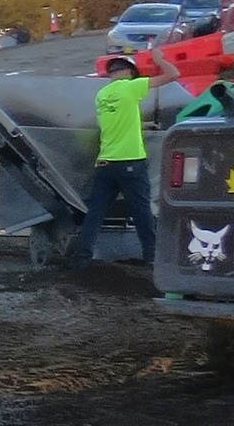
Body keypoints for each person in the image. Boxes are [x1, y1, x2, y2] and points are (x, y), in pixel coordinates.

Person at [71, 44, 180, 265]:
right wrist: (158, 59)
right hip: (130, 162)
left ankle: (82, 257)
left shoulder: (102, 94)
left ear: (111, 73)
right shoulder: (131, 87)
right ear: (130, 72)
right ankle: (152, 257)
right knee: (142, 213)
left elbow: (118, 121)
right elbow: (173, 75)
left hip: (105, 163)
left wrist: (143, 125)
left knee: (96, 213)